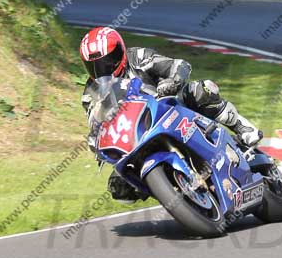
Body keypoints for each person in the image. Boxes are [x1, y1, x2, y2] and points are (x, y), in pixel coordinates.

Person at [80, 26, 262, 202]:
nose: (102, 69)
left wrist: (172, 80)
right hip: (136, 135)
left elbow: (179, 65)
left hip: (169, 108)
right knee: (118, 188)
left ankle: (241, 126)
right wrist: (96, 142)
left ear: (120, 52)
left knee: (201, 90)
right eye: (93, 66)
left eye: (107, 61)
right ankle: (173, 191)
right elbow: (96, 124)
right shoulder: (90, 94)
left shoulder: (138, 57)